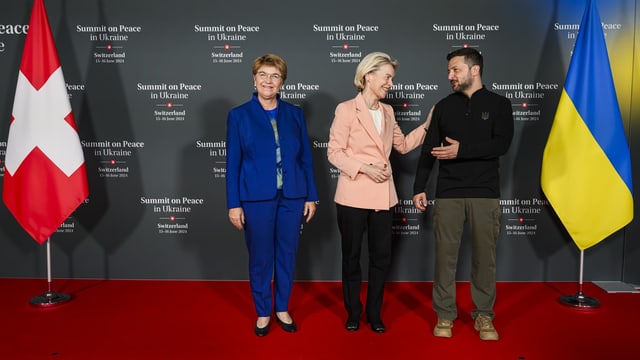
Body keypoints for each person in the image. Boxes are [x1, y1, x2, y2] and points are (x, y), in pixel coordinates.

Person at [412, 47, 514, 341]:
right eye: (448, 71)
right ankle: (444, 314)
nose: (450, 76)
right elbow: (429, 150)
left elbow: (502, 145)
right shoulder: (444, 106)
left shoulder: (499, 104)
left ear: (475, 70)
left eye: (455, 70)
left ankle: (484, 315)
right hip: (448, 193)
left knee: (485, 258)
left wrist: (462, 151)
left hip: (485, 194)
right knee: (445, 258)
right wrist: (419, 186)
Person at [328, 51, 432, 333]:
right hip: (352, 196)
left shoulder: (387, 111)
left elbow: (403, 145)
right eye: (387, 77)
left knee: (381, 258)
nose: (390, 83)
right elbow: (334, 153)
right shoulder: (347, 109)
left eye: (392, 78)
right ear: (368, 76)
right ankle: (353, 312)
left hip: (383, 198)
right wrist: (365, 168)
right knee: (351, 257)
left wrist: (426, 125)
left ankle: (374, 313)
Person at [226, 53, 319, 337]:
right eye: (263, 75)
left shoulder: (294, 114)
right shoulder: (239, 115)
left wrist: (310, 196)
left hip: (292, 196)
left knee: (287, 255)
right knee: (261, 257)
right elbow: (233, 163)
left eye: (275, 76)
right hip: (256, 199)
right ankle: (264, 311)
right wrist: (234, 204)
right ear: (254, 79)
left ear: (282, 82)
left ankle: (282, 307)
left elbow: (305, 159)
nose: (269, 81)